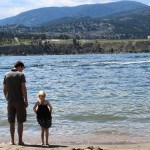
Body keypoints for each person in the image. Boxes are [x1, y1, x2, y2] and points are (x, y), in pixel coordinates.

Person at [3, 61, 28, 145]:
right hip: (19, 101)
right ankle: (20, 141)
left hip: (10, 101)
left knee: (11, 122)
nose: (22, 70)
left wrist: (7, 98)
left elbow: (4, 89)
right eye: (23, 68)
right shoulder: (20, 75)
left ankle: (12, 141)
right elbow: (23, 88)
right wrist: (26, 100)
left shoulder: (6, 75)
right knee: (20, 121)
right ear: (19, 67)